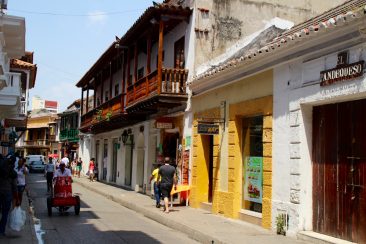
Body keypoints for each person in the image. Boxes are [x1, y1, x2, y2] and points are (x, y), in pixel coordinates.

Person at [0, 155, 17, 236]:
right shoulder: (13, 172)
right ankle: (2, 230)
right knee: (5, 212)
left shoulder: (1, 168)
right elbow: (14, 186)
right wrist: (16, 196)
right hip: (7, 193)